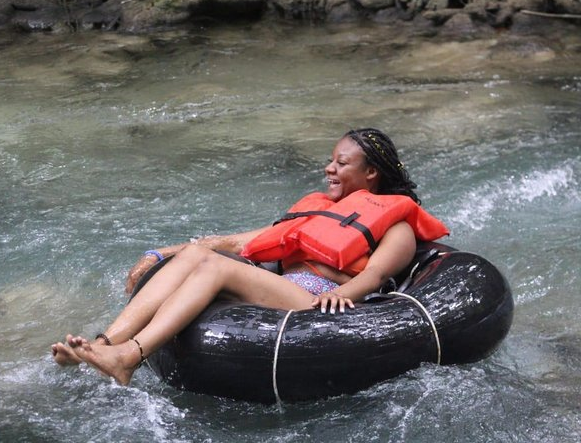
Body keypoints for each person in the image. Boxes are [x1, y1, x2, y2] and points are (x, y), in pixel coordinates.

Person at [51, 128, 449, 385]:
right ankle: (105, 343)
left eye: (341, 164)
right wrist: (160, 252)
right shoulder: (317, 212)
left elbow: (377, 274)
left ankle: (130, 357)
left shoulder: (395, 226)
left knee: (213, 266)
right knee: (196, 255)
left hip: (319, 305)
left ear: (372, 175)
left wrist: (347, 294)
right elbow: (236, 242)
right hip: (281, 291)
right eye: (331, 159)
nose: (328, 168)